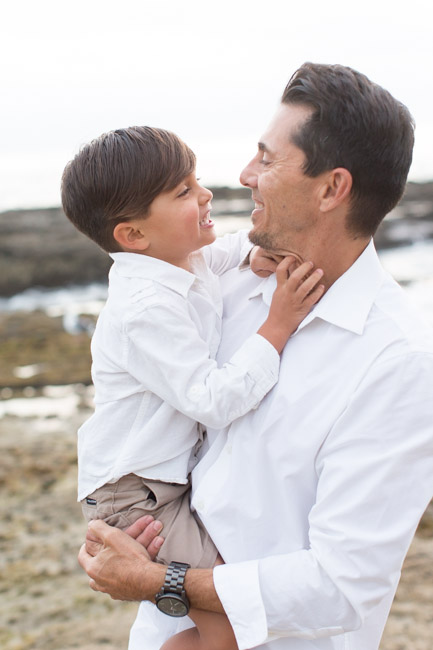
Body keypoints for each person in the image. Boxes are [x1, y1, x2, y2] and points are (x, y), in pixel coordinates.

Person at [78, 63, 433, 650]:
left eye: (267, 159)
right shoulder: (226, 284)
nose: (243, 176)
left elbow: (340, 588)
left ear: (331, 189)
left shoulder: (399, 363)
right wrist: (114, 529)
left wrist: (159, 580)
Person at [61, 125, 324, 650]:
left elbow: (224, 252)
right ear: (133, 235)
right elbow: (213, 399)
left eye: (196, 179)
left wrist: (256, 254)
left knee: (224, 623)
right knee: (228, 627)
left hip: (156, 480)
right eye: (183, 192)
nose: (205, 194)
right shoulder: (145, 310)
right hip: (136, 495)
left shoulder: (178, 258)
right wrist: (277, 324)